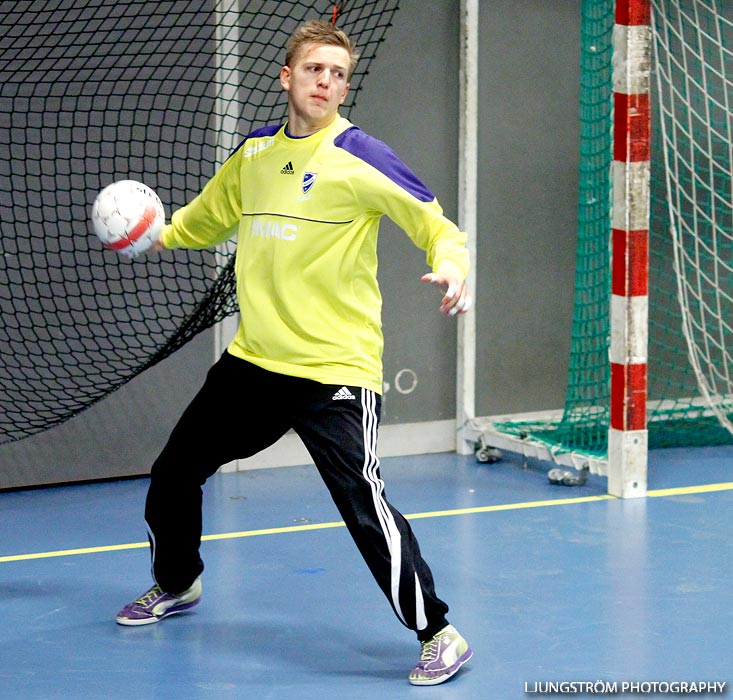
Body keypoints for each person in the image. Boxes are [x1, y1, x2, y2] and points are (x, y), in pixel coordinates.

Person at [116, 18, 473, 687]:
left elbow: (436, 225)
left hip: (333, 366)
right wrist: (159, 236)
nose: (326, 83)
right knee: (173, 473)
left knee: (361, 501)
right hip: (256, 362)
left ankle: (439, 632)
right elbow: (207, 216)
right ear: (287, 77)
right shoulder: (254, 154)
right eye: (314, 70)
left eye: (337, 74)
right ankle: (178, 582)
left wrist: (452, 268)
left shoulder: (361, 157)